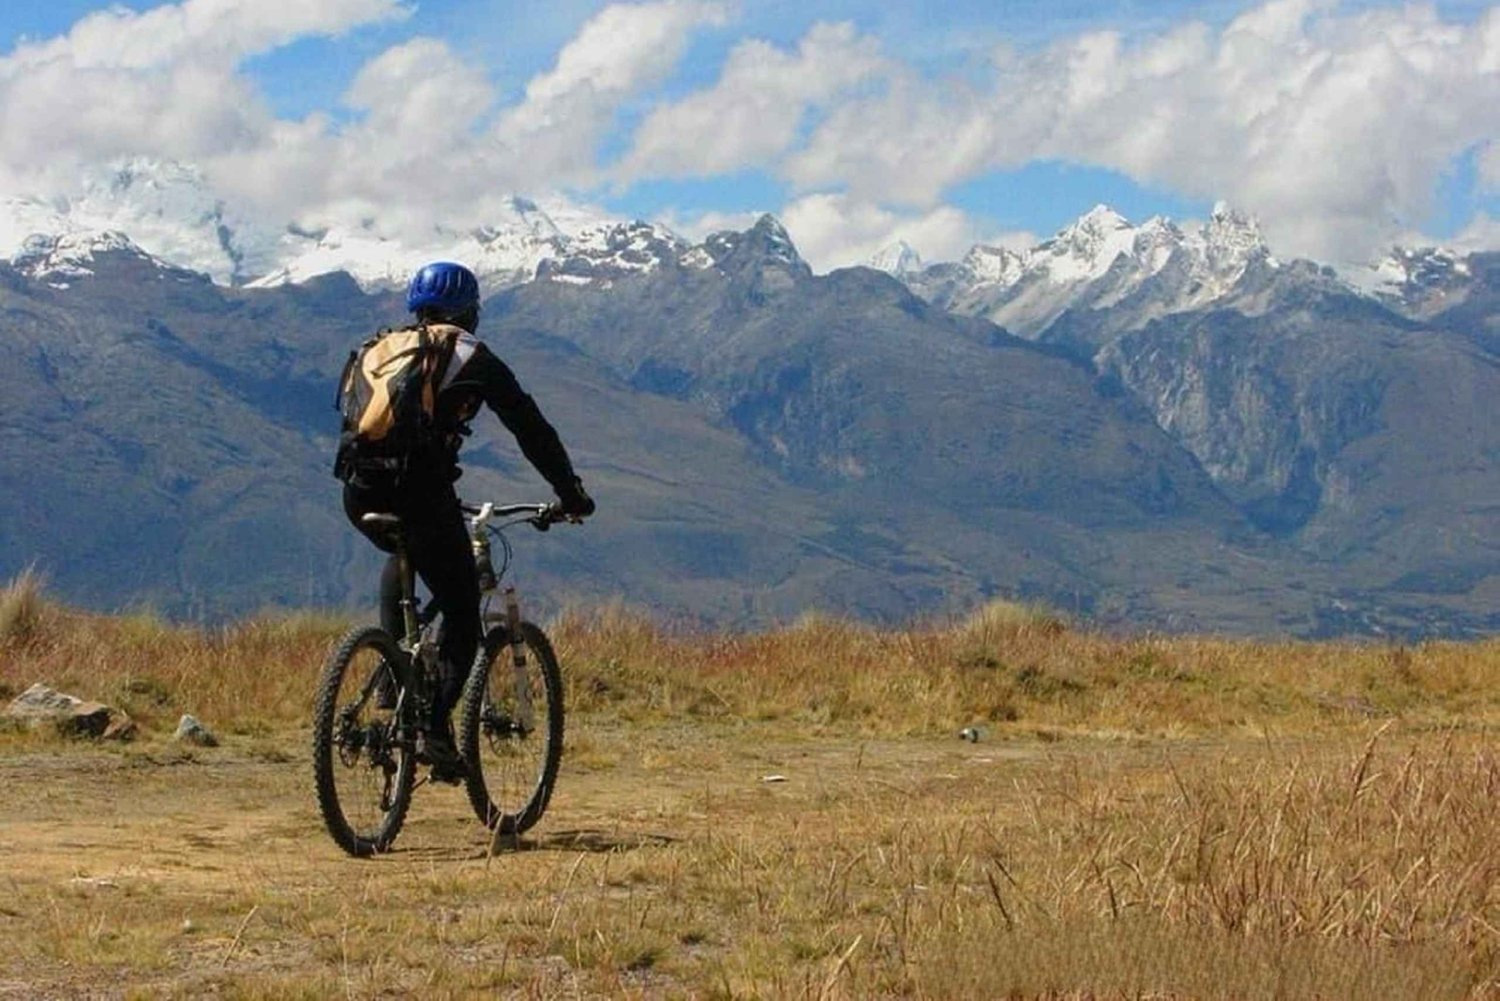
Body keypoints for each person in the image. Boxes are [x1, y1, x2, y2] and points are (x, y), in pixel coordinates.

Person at [341, 261, 594, 782]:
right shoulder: (470, 355)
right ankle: (434, 728)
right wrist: (570, 494)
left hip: (359, 489)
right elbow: (530, 427)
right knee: (460, 609)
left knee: (402, 550)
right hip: (420, 492)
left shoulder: (382, 347)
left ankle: (392, 679)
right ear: (471, 311)